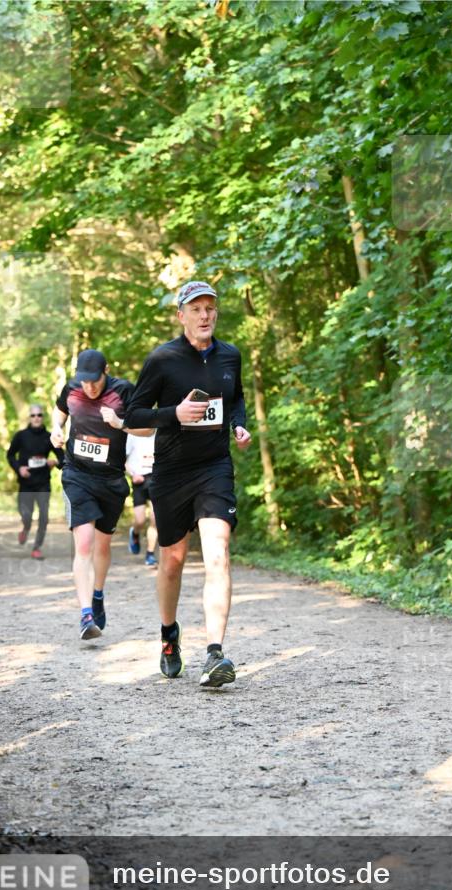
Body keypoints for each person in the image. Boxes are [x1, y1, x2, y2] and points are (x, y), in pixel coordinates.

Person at [125, 280, 252, 689]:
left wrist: (239, 425)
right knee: (173, 561)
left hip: (215, 467)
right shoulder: (162, 359)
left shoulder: (230, 355)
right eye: (196, 309)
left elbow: (236, 398)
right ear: (181, 315)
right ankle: (168, 635)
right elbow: (134, 416)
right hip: (171, 472)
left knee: (218, 552)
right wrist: (174, 414)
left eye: (210, 308)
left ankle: (215, 653)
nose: (205, 315)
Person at [50, 348, 152, 640]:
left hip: (111, 480)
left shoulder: (124, 391)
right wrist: (56, 430)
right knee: (84, 544)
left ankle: (97, 594)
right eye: (84, 381)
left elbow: (148, 429)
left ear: (106, 371)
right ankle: (85, 615)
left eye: (94, 381)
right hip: (77, 475)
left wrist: (120, 423)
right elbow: (59, 414)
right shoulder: (70, 388)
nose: (89, 387)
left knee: (102, 547)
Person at [7, 406, 63, 560]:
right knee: (26, 516)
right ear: (29, 418)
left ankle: (37, 547)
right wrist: (19, 468)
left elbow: (63, 458)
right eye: (33, 415)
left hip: (43, 482)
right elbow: (10, 455)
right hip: (26, 483)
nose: (36, 418)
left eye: (39, 415)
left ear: (42, 417)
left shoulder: (50, 437)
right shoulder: (21, 436)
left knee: (44, 517)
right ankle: (25, 529)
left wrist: (55, 462)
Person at [125, 432, 158, 565]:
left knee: (155, 520)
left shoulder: (160, 433)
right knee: (140, 520)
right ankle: (135, 533)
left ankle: (150, 554)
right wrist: (133, 474)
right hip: (139, 479)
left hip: (155, 479)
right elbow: (123, 461)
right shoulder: (133, 434)